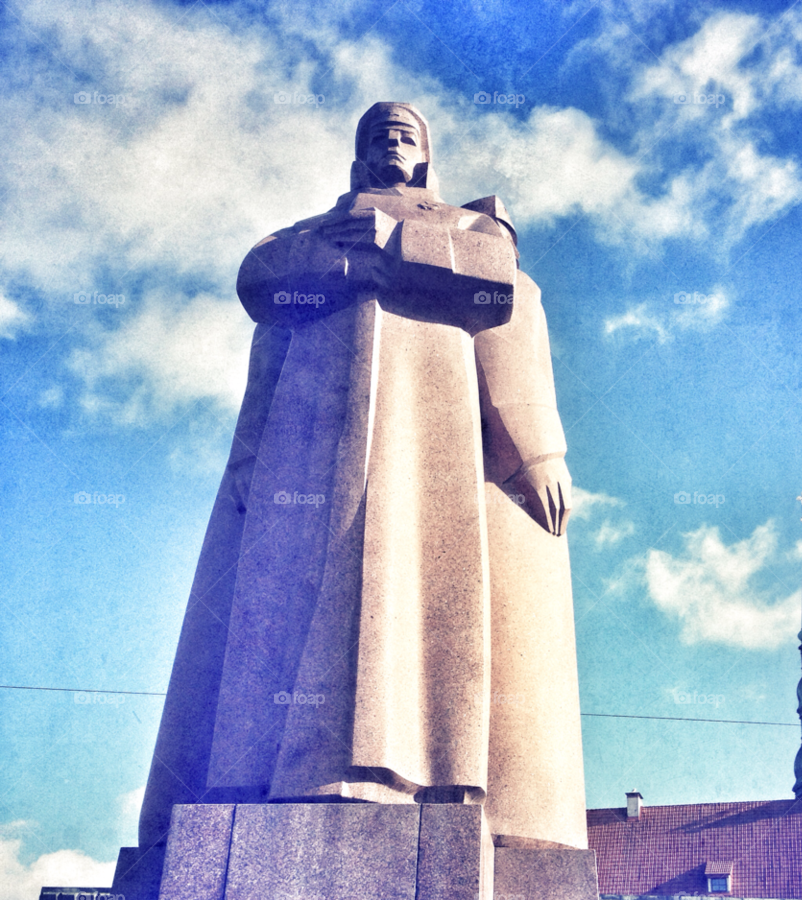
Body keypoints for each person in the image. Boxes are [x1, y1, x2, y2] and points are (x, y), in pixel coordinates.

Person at [138, 102, 586, 852]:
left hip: (427, 436)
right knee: (292, 608)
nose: (390, 141)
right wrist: (347, 260)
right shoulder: (314, 233)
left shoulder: (467, 227)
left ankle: (426, 771)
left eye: (405, 134)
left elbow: (500, 285)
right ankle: (284, 769)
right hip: (308, 448)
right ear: (357, 157)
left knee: (414, 591)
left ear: (426, 159)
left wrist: (395, 246)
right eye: (377, 134)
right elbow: (260, 277)